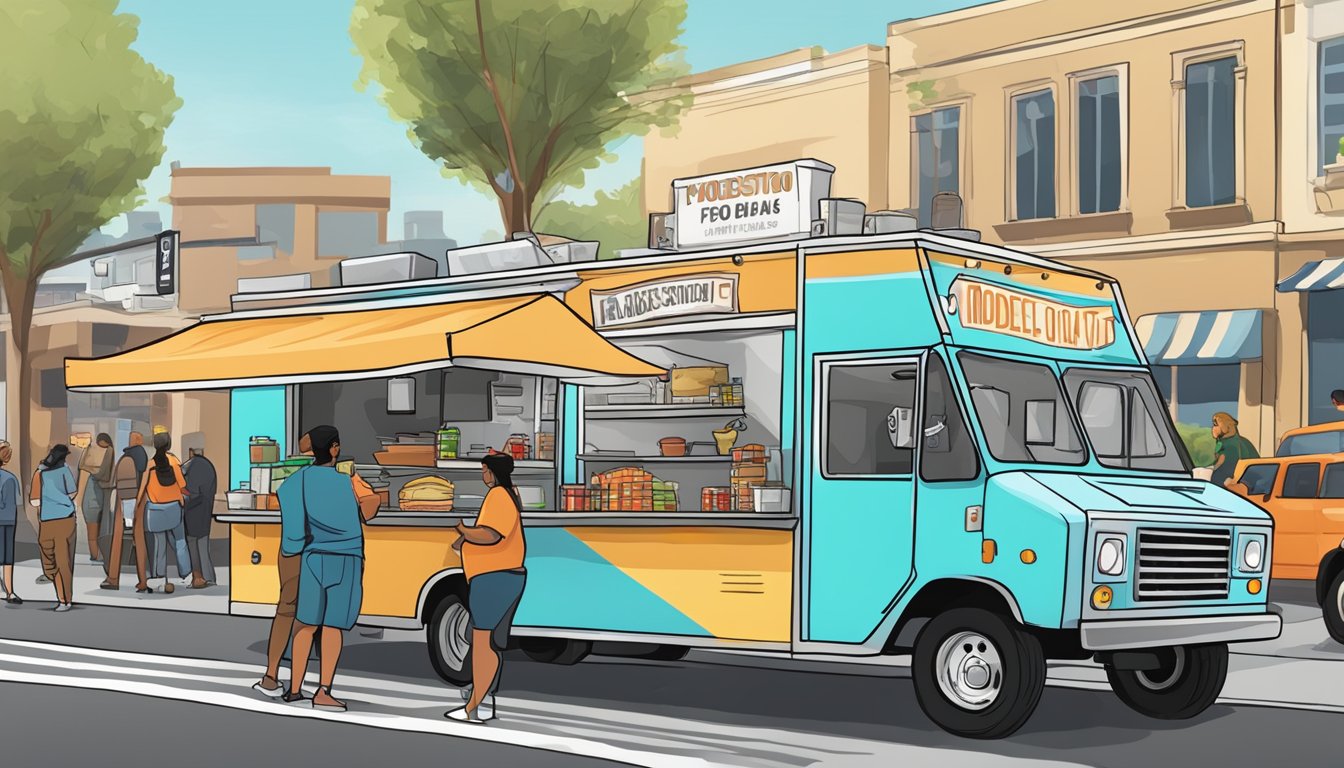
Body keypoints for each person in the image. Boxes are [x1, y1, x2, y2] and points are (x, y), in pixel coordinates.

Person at [254, 432, 377, 699]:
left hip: (302, 551)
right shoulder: (347, 481)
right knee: (329, 624)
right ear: (334, 449)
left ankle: (278, 679)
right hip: (336, 555)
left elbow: (293, 523)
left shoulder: (295, 481)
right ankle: (323, 690)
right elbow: (369, 509)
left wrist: (295, 549)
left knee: (296, 617)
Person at [446, 450, 528, 724]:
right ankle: (484, 699)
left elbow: (490, 535)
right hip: (505, 577)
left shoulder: (498, 496)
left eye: (484, 470)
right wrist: (465, 539)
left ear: (493, 472)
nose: (482, 475)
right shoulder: (510, 495)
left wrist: (462, 530)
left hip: (493, 577)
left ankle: (473, 707)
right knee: (490, 642)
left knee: (482, 643)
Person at [136, 431, 190, 594]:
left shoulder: (150, 464)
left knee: (159, 546)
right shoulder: (174, 462)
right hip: (174, 507)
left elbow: (142, 487)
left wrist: (137, 505)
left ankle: (159, 577)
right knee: (180, 541)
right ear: (169, 445)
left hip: (155, 510)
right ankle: (186, 574)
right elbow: (182, 485)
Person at [31, 445, 78, 612]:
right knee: (64, 561)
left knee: (50, 560)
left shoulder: (39, 473)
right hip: (66, 519)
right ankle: (66, 599)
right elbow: (72, 492)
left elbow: (34, 501)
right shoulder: (65, 471)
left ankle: (62, 595)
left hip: (47, 521)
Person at [103, 433, 150, 591]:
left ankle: (113, 579)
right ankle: (143, 580)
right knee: (140, 540)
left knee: (117, 539)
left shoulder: (125, 459)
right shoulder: (145, 459)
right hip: (141, 501)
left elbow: (118, 483)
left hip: (123, 502)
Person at [182, 442, 217, 589]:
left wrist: (181, 493)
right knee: (203, 544)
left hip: (194, 511)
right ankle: (209, 577)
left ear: (191, 451)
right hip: (206, 509)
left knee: (193, 544)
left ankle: (199, 578)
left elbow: (193, 492)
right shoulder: (208, 465)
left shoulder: (193, 466)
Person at [76, 433, 114, 563]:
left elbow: (82, 479)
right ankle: (100, 555)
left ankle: (96, 555)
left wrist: (78, 501)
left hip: (91, 499)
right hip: (103, 499)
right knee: (101, 530)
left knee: (92, 532)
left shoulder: (89, 459)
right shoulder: (110, 455)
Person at [1209, 412, 1259, 488]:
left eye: (1215, 425)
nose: (1213, 428)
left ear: (1224, 426)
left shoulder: (1229, 445)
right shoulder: (1240, 441)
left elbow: (1219, 464)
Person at [0, 442, 22, 604]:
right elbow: (12, 503)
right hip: (6, 521)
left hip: (6, 520)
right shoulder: (10, 479)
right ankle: (10, 591)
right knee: (7, 558)